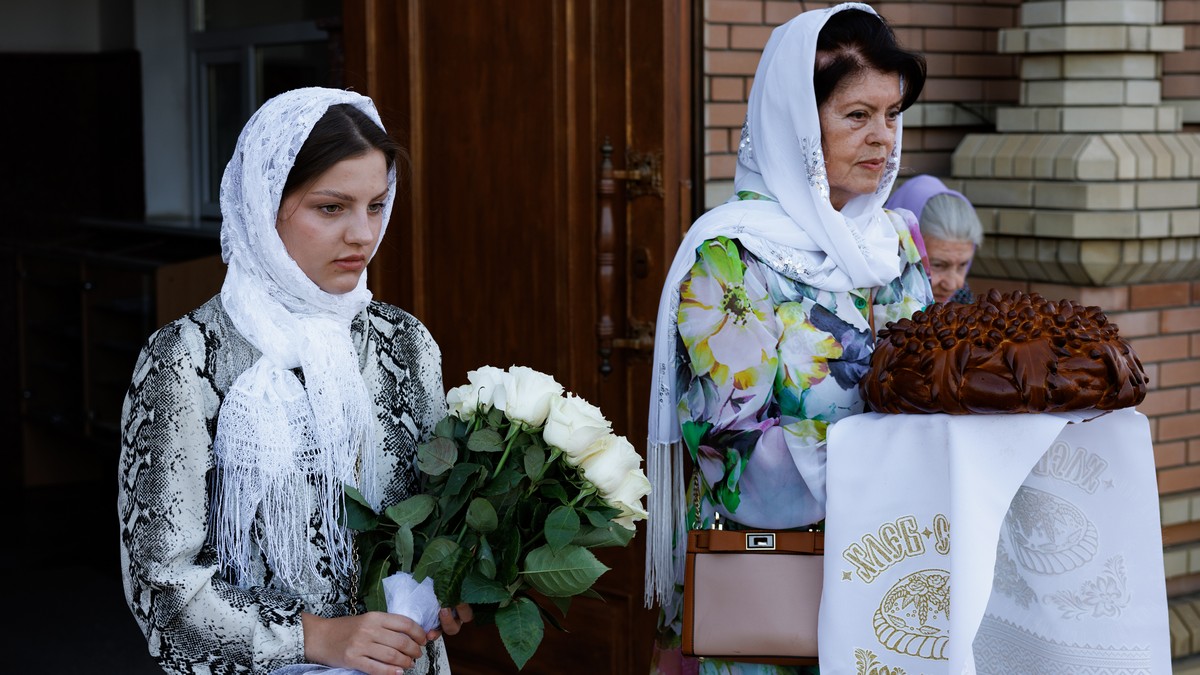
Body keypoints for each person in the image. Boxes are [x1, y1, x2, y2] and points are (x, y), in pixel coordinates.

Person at [118, 87, 472, 675]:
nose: (362, 234)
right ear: (263, 204)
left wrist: (452, 582)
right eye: (331, 208)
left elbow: (434, 515)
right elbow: (162, 584)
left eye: (376, 205)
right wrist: (315, 637)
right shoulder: (186, 357)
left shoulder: (404, 342)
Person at [643, 4, 932, 673]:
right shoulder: (732, 256)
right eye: (857, 115)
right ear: (796, 120)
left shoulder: (895, 243)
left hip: (901, 562)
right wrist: (899, 459)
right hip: (781, 581)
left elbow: (933, 379)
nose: (883, 138)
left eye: (892, 114)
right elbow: (732, 446)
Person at [885, 173, 983, 304]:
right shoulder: (865, 297)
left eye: (962, 265)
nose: (952, 285)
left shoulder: (961, 300)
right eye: (938, 265)